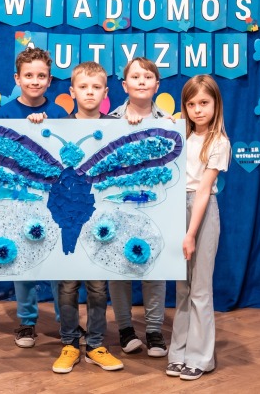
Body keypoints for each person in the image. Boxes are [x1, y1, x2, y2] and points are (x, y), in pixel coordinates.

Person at [0, 47, 68, 348]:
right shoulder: (5, 113)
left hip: (55, 201)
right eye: (28, 76)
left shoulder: (60, 114)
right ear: (17, 78)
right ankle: (26, 323)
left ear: (49, 80)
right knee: (23, 260)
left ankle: (67, 321)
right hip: (20, 199)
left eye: (41, 76)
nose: (34, 81)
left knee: (59, 263)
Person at [52, 61, 124, 373]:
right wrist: (35, 122)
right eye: (83, 87)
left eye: (96, 87)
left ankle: (95, 344)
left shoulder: (116, 127)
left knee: (97, 287)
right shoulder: (59, 127)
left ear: (106, 93)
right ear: (72, 92)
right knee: (67, 286)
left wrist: (133, 123)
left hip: (100, 224)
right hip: (67, 220)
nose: (90, 92)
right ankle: (69, 343)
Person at [166, 75, 230, 381]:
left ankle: (201, 357)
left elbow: (203, 191)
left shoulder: (219, 142)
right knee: (183, 288)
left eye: (204, 103)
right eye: (191, 104)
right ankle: (178, 352)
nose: (197, 110)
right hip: (176, 208)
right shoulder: (181, 136)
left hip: (201, 212)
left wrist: (190, 234)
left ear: (216, 104)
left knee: (201, 289)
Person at [108, 57, 169, 357]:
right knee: (119, 267)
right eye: (135, 77)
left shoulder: (170, 123)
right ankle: (125, 328)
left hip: (155, 207)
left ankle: (154, 330)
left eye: (148, 77)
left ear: (157, 85)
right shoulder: (108, 122)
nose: (142, 81)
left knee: (155, 267)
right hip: (117, 207)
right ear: (124, 85)